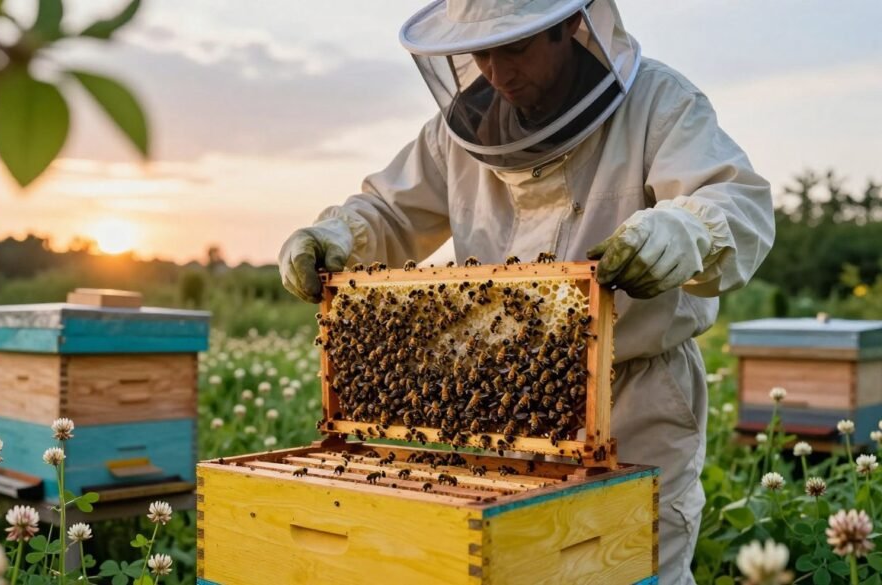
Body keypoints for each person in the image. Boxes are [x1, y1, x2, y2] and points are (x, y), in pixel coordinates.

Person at [278, 1, 774, 582]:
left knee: (634, 568)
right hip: (506, 402)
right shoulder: (458, 132)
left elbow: (736, 202)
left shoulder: (659, 104)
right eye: (480, 52)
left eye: (513, 48)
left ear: (569, 24)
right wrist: (338, 235)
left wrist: (686, 230)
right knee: (517, 566)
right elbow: (390, 212)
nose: (495, 71)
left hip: (633, 403)